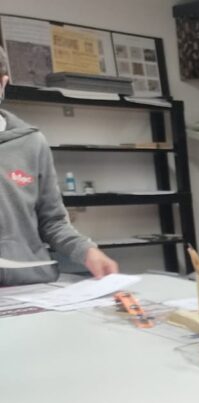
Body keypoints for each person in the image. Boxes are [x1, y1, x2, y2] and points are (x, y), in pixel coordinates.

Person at [0, 44, 118, 285]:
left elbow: (52, 221)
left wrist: (87, 251)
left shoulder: (31, 142)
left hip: (28, 284)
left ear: (2, 83)